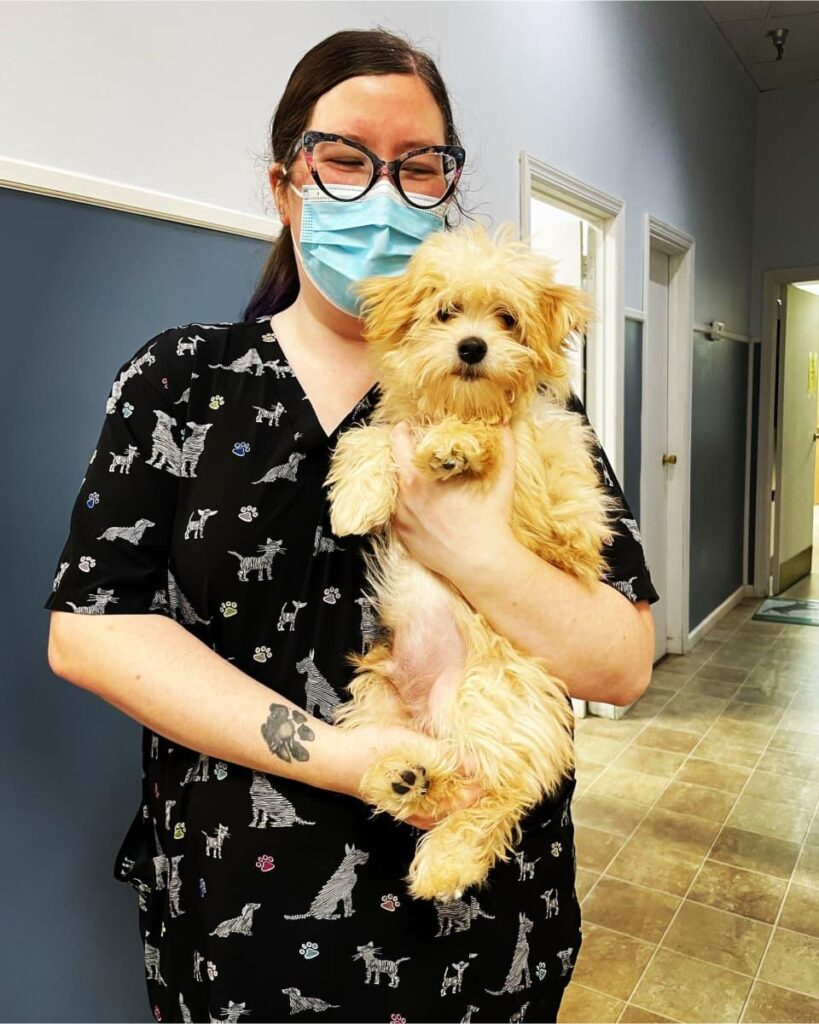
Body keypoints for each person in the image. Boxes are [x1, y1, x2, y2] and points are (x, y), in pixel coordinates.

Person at [44, 27, 660, 1024]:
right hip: (243, 922)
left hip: (484, 932)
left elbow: (623, 664)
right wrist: (352, 760)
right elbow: (89, 630)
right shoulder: (180, 383)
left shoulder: (522, 404)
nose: (381, 194)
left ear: (446, 193)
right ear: (287, 185)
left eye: (418, 167)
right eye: (344, 159)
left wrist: (473, 550)